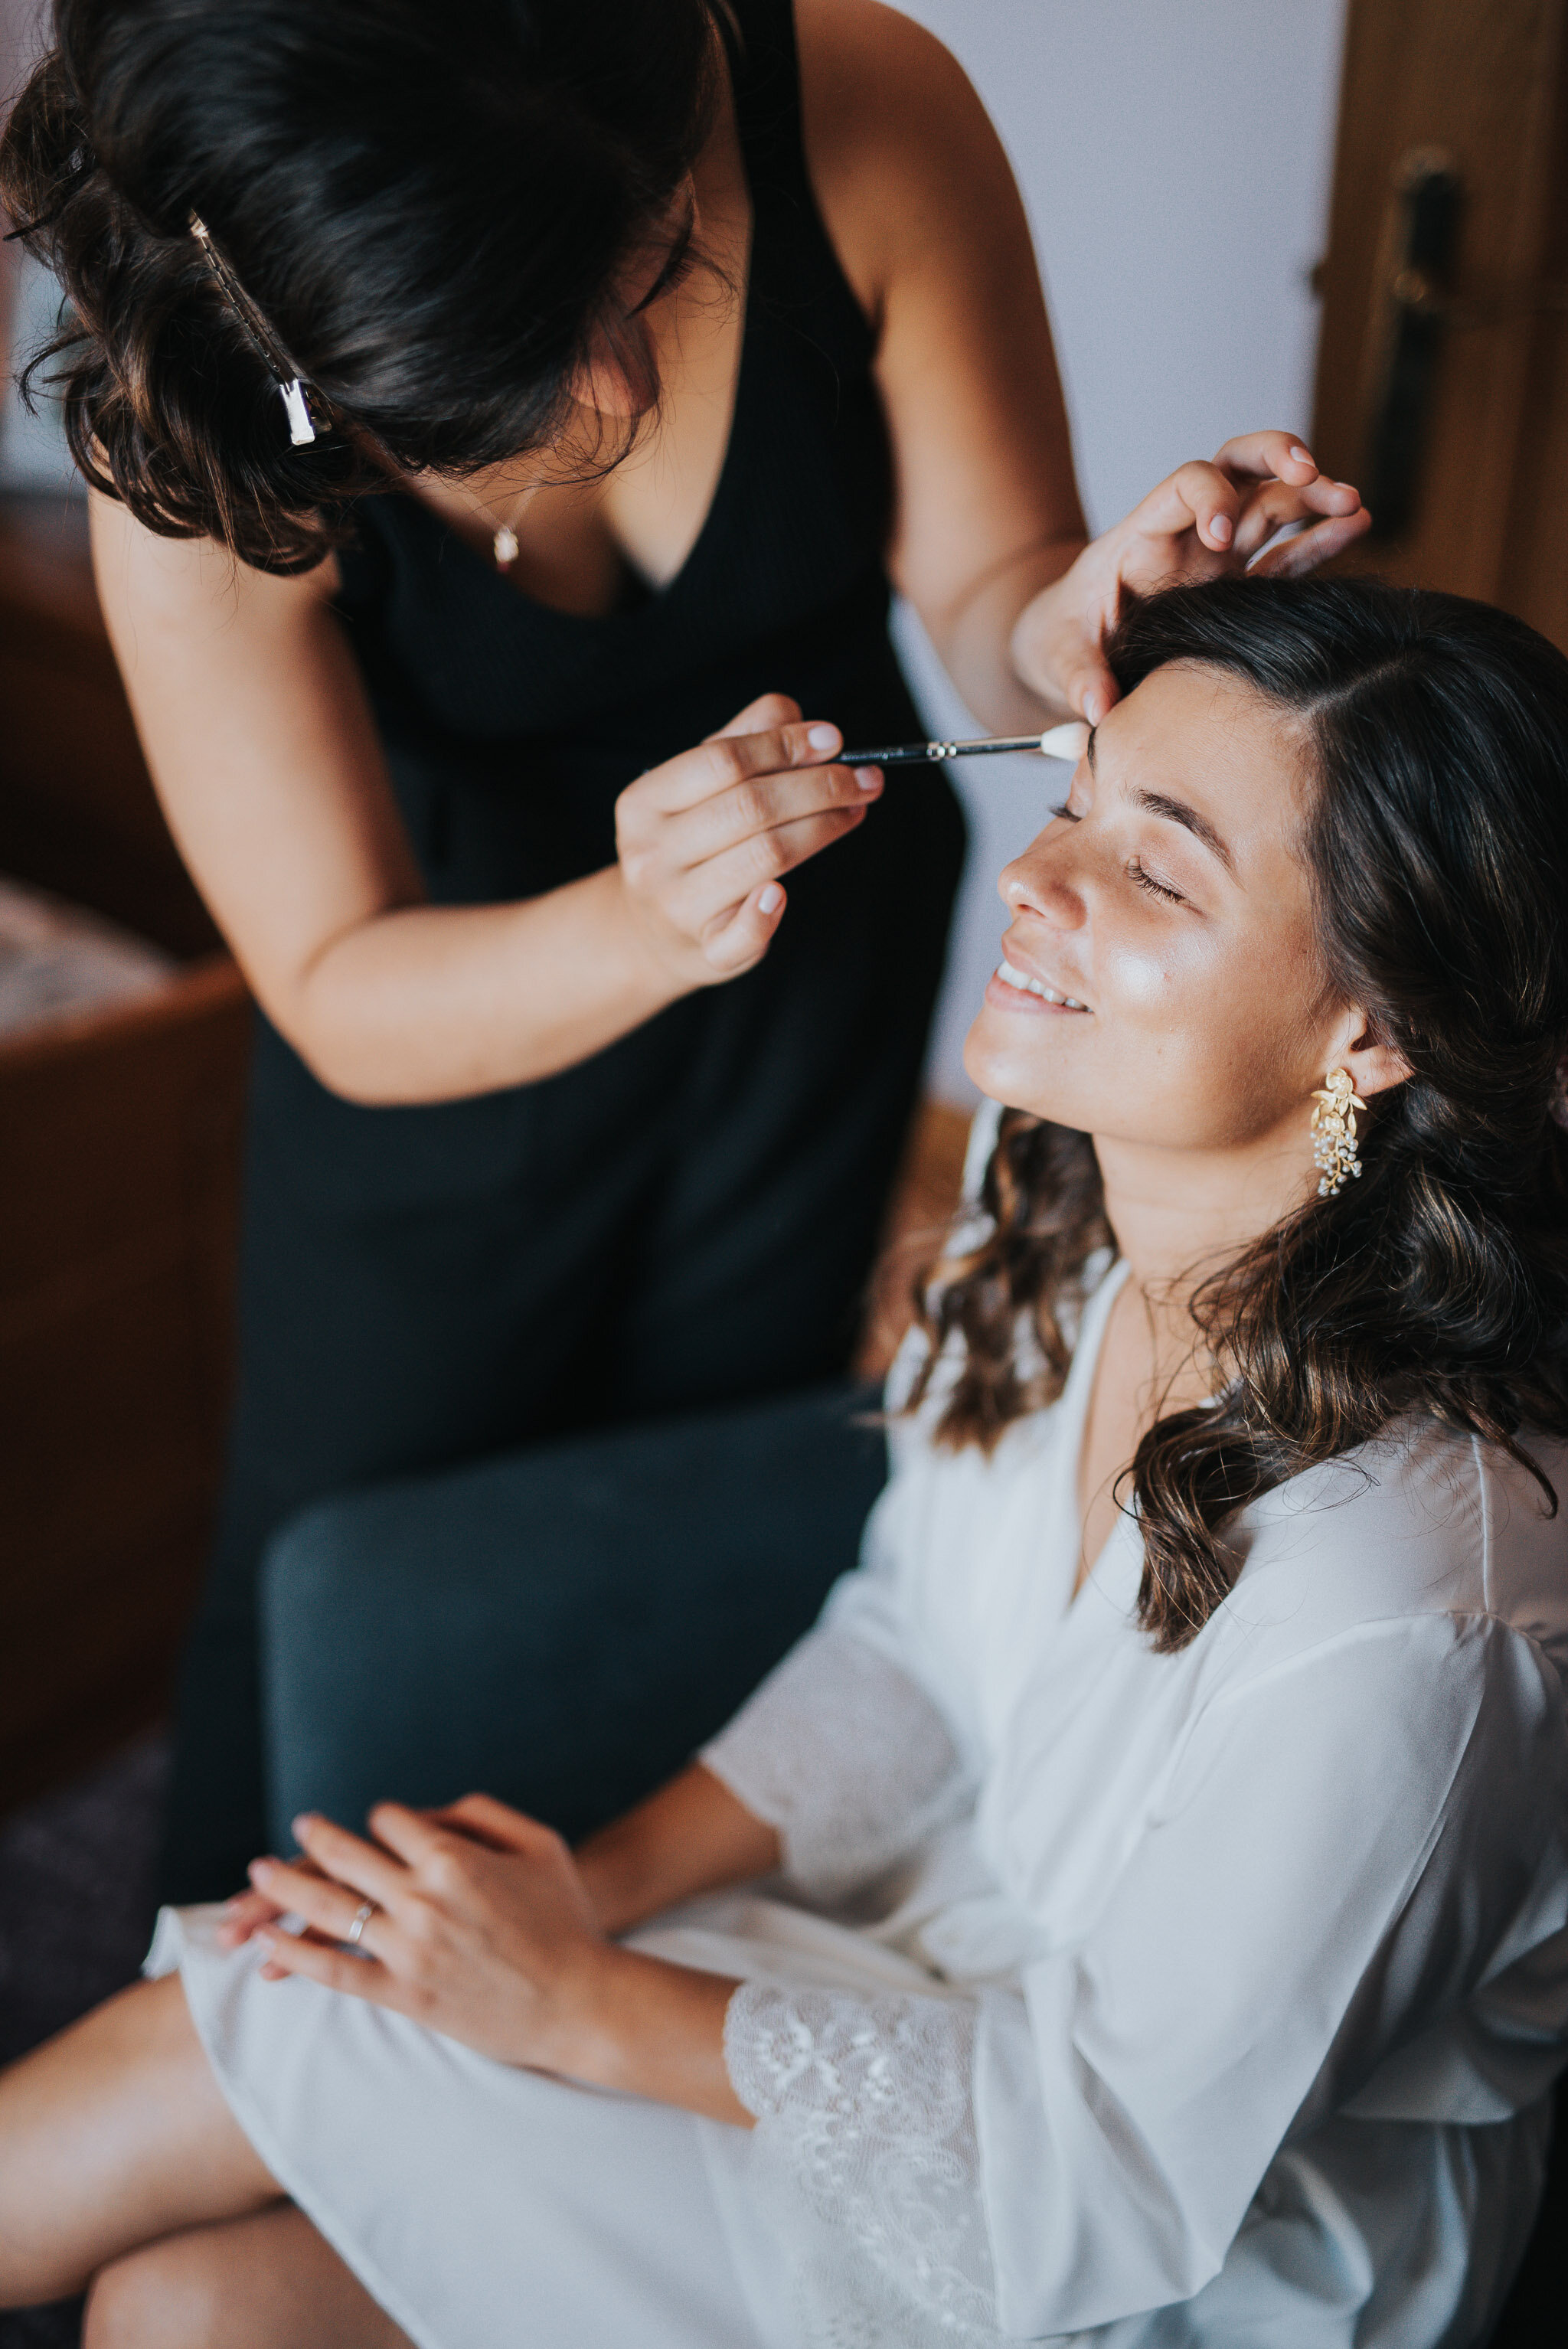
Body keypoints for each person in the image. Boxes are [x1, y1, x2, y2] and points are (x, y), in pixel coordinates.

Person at [5, 571, 1567, 2348]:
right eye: (1073, 802)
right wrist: (588, 1894)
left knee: (288, 2025)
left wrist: (577, 1999)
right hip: (937, 1965)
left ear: (1373, 1030)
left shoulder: (1411, 1614)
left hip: (1181, 2244)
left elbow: (1116, 2164)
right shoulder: (1062, 1193)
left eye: (1155, 868)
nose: (1031, 881)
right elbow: (911, 1644)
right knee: (186, 2304)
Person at [0, 0, 1369, 1898]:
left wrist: (1076, 621)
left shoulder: (858, 112)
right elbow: (337, 978)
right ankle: (264, 2057)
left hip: (809, 993)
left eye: (650, 257)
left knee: (708, 1541)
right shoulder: (211, 410)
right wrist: (636, 925)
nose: (618, 387)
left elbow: (984, 595)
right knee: (328, 1587)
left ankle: (606, 1991)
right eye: (513, 363)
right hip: (439, 1036)